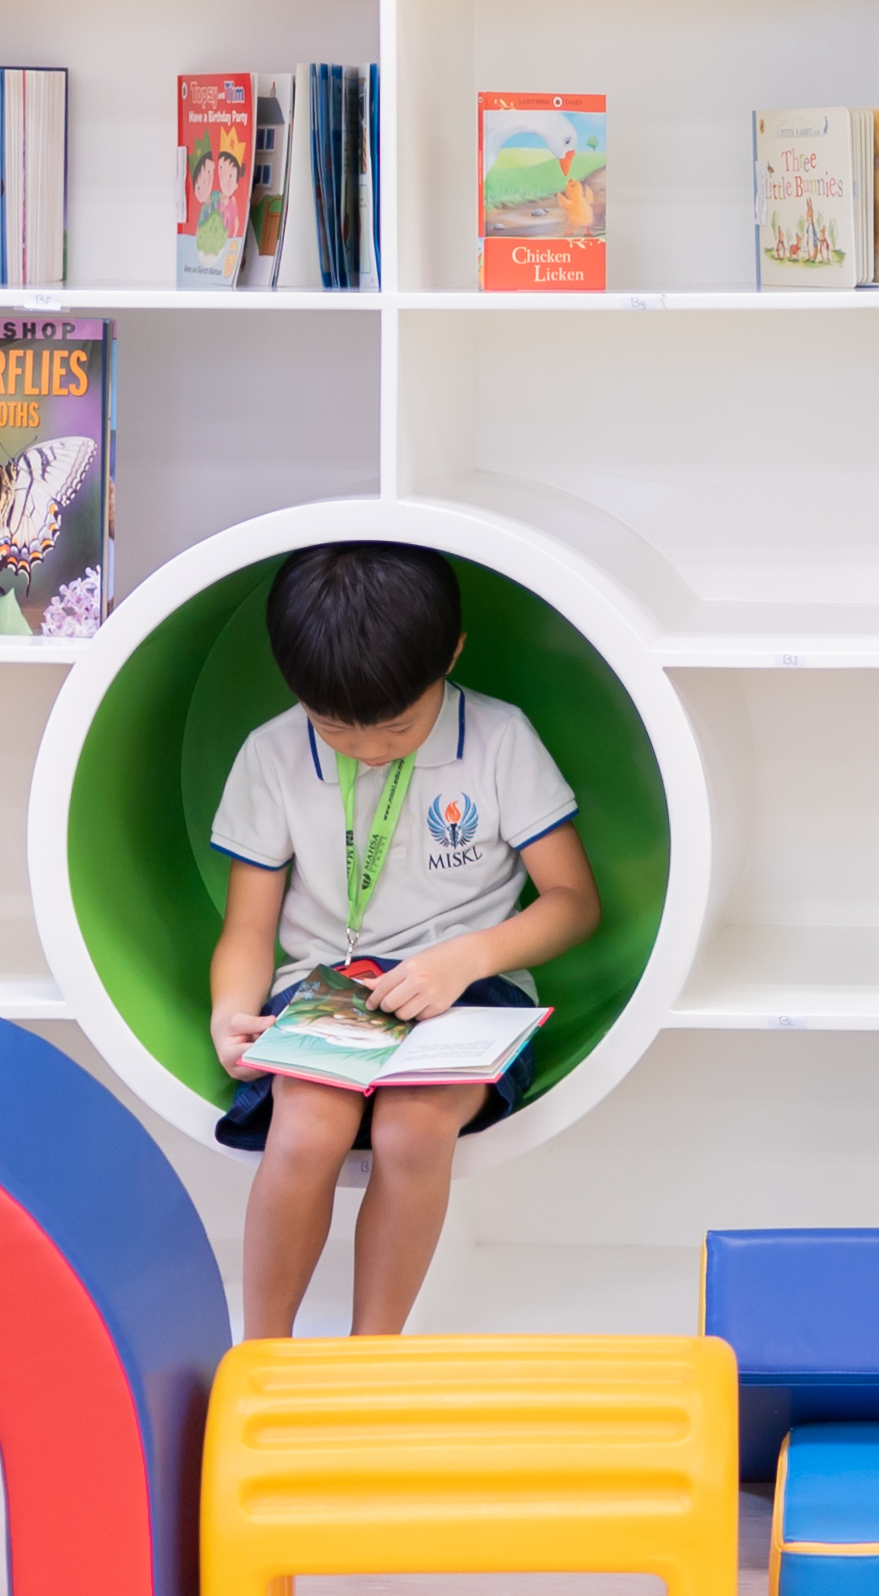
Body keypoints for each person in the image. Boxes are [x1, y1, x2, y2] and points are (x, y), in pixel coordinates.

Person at [208, 543, 601, 1337]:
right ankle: (262, 1355)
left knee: (413, 1129)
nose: (370, 749)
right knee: (305, 1128)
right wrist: (230, 1015)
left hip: (470, 987)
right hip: (329, 985)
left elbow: (573, 903)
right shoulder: (272, 753)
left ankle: (371, 1354)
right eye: (335, 728)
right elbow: (248, 926)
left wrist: (469, 957)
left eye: (398, 726)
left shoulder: (499, 738)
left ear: (451, 655)